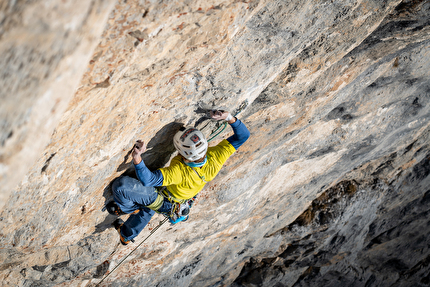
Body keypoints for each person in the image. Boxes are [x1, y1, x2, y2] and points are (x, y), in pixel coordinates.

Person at [108, 110, 250, 245]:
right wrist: (228, 117)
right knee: (150, 204)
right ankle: (127, 233)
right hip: (178, 198)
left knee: (121, 186)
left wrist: (137, 157)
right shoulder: (216, 157)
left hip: (168, 201)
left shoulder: (180, 172)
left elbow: (148, 180)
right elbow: (242, 136)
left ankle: (128, 209)